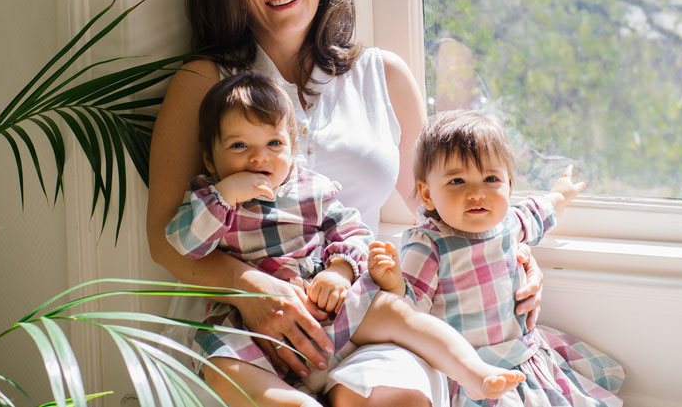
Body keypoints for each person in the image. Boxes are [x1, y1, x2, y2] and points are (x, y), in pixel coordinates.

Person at [146, 0, 545, 407]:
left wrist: (513, 251)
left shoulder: (385, 76)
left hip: (361, 308)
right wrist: (254, 291)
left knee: (398, 396)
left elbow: (439, 201)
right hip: (249, 330)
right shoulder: (204, 82)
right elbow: (164, 239)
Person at [166, 73, 525, 407]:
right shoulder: (208, 199)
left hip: (330, 305)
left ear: (293, 148)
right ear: (209, 157)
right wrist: (225, 195)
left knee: (397, 312)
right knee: (218, 364)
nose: (260, 157)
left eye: (274, 143)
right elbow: (183, 245)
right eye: (239, 145)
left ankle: (472, 371)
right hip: (252, 328)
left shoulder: (311, 189)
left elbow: (354, 232)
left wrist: (339, 271)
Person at [368, 111, 625, 407]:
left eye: (491, 179)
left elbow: (538, 213)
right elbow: (410, 312)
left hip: (521, 355)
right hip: (470, 371)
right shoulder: (428, 243)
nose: (477, 192)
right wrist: (393, 282)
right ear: (427, 195)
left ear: (510, 186)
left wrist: (560, 195)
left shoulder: (509, 224)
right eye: (457, 181)